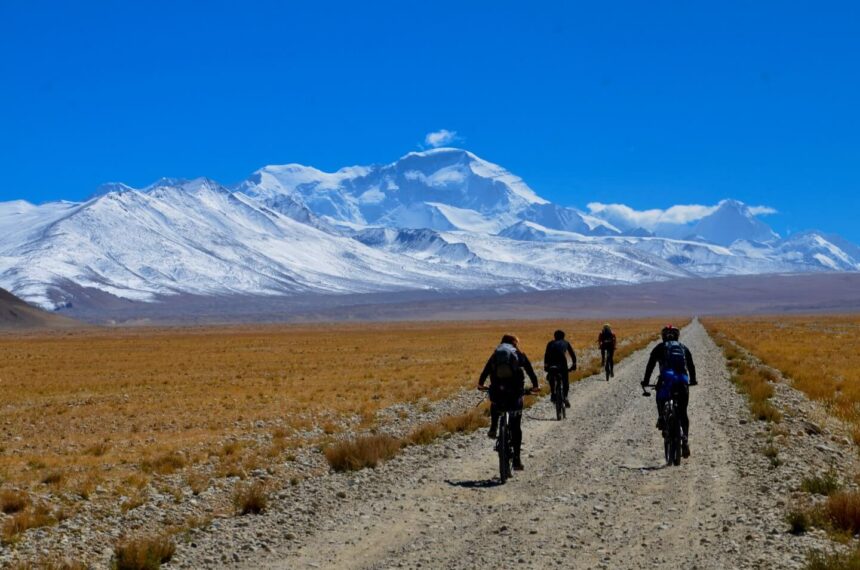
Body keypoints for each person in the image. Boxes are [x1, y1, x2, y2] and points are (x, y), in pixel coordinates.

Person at [478, 334, 539, 471]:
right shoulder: (517, 354)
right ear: (514, 343)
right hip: (515, 392)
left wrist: (481, 384)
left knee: (495, 402)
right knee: (516, 426)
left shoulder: (496, 354)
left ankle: (494, 427)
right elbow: (529, 370)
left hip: (498, 390)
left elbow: (486, 370)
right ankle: (516, 460)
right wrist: (535, 386)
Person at [641, 325, 697, 457]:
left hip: (666, 379)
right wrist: (693, 380)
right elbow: (691, 365)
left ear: (663, 336)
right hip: (682, 380)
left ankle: (661, 417)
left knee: (659, 394)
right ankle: (685, 440)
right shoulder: (683, 347)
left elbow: (650, 365)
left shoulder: (659, 347)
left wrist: (645, 381)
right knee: (683, 412)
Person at [544, 330, 577, 407]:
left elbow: (546, 355)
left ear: (554, 336)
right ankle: (565, 396)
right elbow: (572, 354)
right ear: (563, 336)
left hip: (551, 364)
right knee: (565, 381)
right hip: (562, 364)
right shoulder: (566, 343)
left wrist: (545, 366)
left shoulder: (550, 343)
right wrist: (574, 364)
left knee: (551, 376)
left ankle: (553, 394)